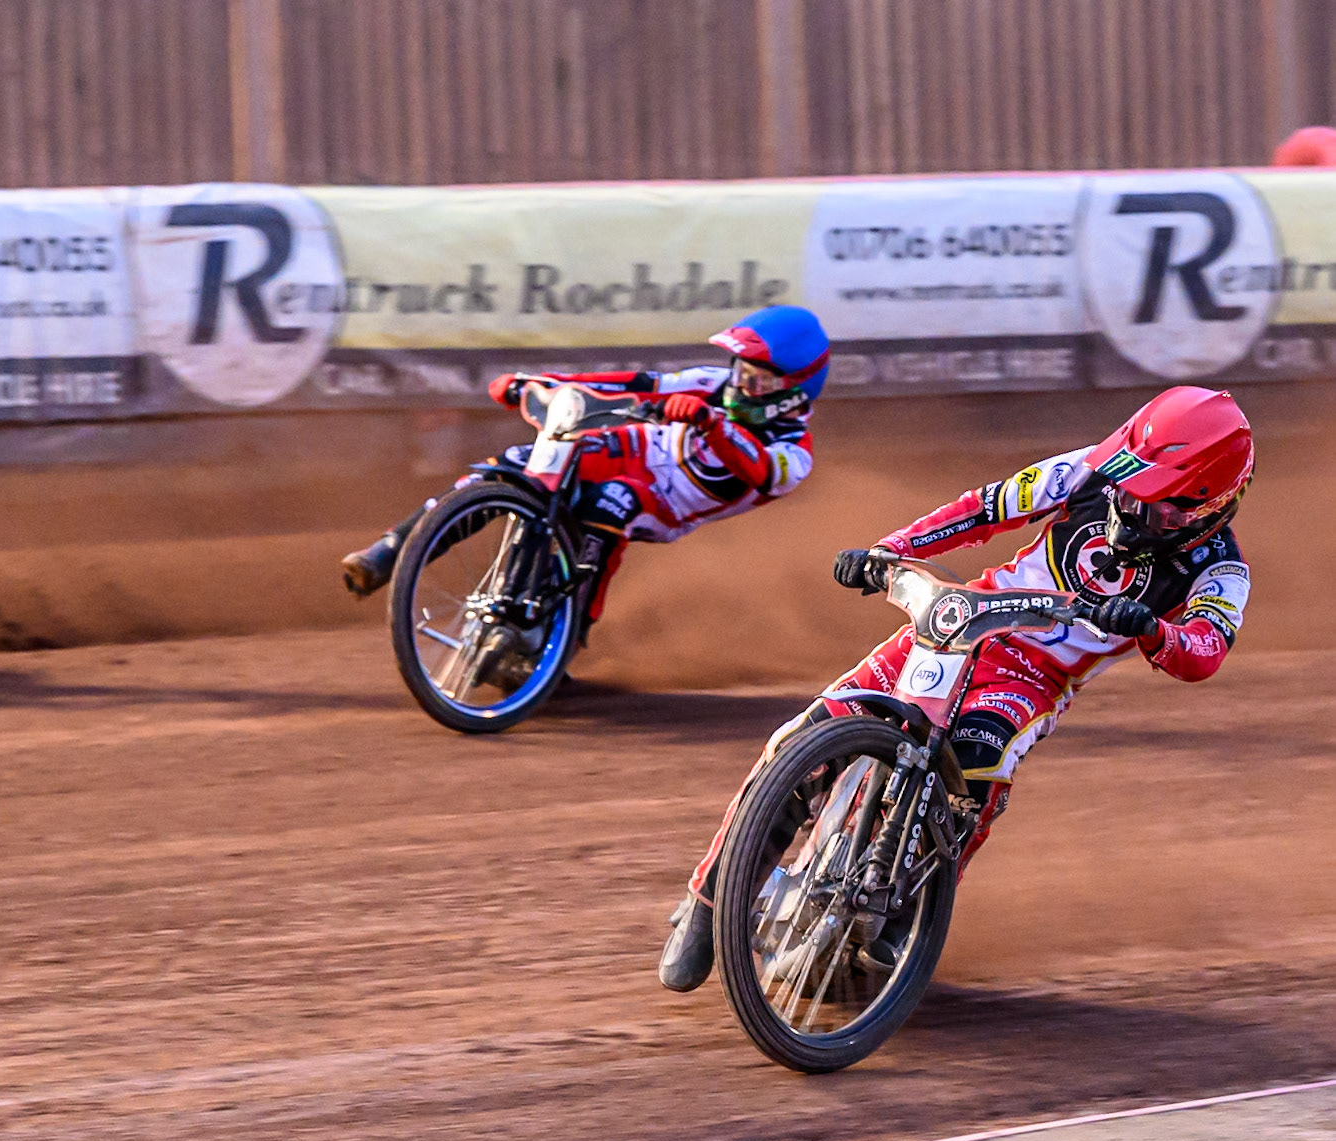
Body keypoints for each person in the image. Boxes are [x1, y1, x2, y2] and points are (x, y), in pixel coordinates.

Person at [659, 385, 1255, 992]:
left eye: (1152, 506)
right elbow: (984, 508)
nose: (1128, 508)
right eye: (1126, 488)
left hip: (1034, 677)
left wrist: (1155, 631)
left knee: (977, 768)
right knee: (802, 740)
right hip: (963, 623)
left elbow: (1206, 649)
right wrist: (890, 550)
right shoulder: (1089, 468)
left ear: (1207, 508)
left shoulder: (1222, 570)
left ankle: (904, 912)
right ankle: (708, 904)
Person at [340, 305, 831, 635]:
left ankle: (566, 640)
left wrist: (708, 422)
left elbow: (761, 471)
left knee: (610, 503)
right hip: (626, 447)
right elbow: (634, 383)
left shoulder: (796, 453)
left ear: (794, 389)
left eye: (758, 378)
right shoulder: (711, 382)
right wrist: (544, 383)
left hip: (662, 505)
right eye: (740, 369)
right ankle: (389, 552)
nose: (740, 384)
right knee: (514, 464)